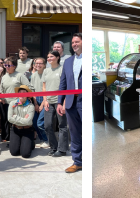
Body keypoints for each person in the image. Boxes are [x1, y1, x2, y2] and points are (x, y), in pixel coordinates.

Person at [58, 33, 83, 173]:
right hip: (71, 102)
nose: (74, 44)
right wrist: (60, 102)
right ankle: (77, 161)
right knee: (74, 133)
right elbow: (63, 83)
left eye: (77, 42)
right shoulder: (68, 61)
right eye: (73, 42)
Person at [0, 56, 29, 152]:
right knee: (7, 122)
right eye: (5, 65)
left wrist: (21, 98)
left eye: (9, 65)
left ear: (14, 66)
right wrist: (1, 97)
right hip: (6, 103)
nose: (6, 67)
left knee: (16, 122)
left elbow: (27, 87)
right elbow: (1, 89)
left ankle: (18, 140)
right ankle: (10, 140)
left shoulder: (20, 76)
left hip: (17, 104)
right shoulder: (3, 77)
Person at [43, 51, 69, 157]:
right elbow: (44, 86)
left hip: (59, 101)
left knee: (62, 125)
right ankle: (54, 147)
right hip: (49, 101)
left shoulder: (63, 69)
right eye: (48, 57)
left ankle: (62, 149)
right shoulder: (46, 70)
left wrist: (63, 103)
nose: (49, 58)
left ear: (58, 57)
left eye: (51, 56)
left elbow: (66, 87)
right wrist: (45, 100)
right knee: (47, 125)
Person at [9, 85, 39, 158]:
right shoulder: (13, 104)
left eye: (24, 92)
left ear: (27, 95)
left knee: (25, 154)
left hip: (27, 130)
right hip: (15, 129)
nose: (22, 94)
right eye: (20, 92)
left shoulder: (30, 106)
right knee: (14, 152)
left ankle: (31, 143)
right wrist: (23, 119)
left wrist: (15, 117)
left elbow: (28, 122)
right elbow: (9, 118)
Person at [30, 57, 48, 148]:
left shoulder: (47, 74)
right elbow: (32, 90)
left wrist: (42, 104)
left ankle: (46, 140)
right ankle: (42, 140)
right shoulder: (33, 75)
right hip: (36, 100)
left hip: (46, 100)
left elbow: (47, 90)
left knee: (40, 123)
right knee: (34, 122)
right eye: (36, 63)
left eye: (40, 63)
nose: (38, 65)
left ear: (44, 65)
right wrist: (36, 104)